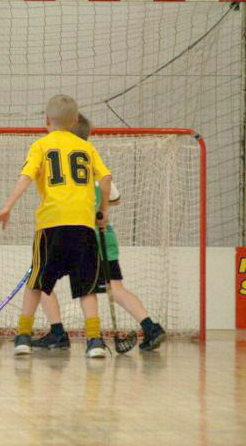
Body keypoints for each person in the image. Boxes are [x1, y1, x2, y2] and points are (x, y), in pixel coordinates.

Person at [0, 95, 112, 358]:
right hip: (83, 225)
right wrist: (102, 211)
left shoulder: (40, 146)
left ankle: (23, 336)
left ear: (46, 119)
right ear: (75, 121)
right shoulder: (87, 148)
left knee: (36, 282)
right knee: (87, 287)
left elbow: (26, 177)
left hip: (51, 225)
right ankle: (95, 341)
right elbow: (106, 178)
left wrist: (7, 206)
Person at [32, 114, 166, 352]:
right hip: (105, 239)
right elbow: (115, 198)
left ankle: (58, 332)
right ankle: (150, 327)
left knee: (41, 283)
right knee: (116, 289)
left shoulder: (62, 168)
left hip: (77, 239)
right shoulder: (94, 166)